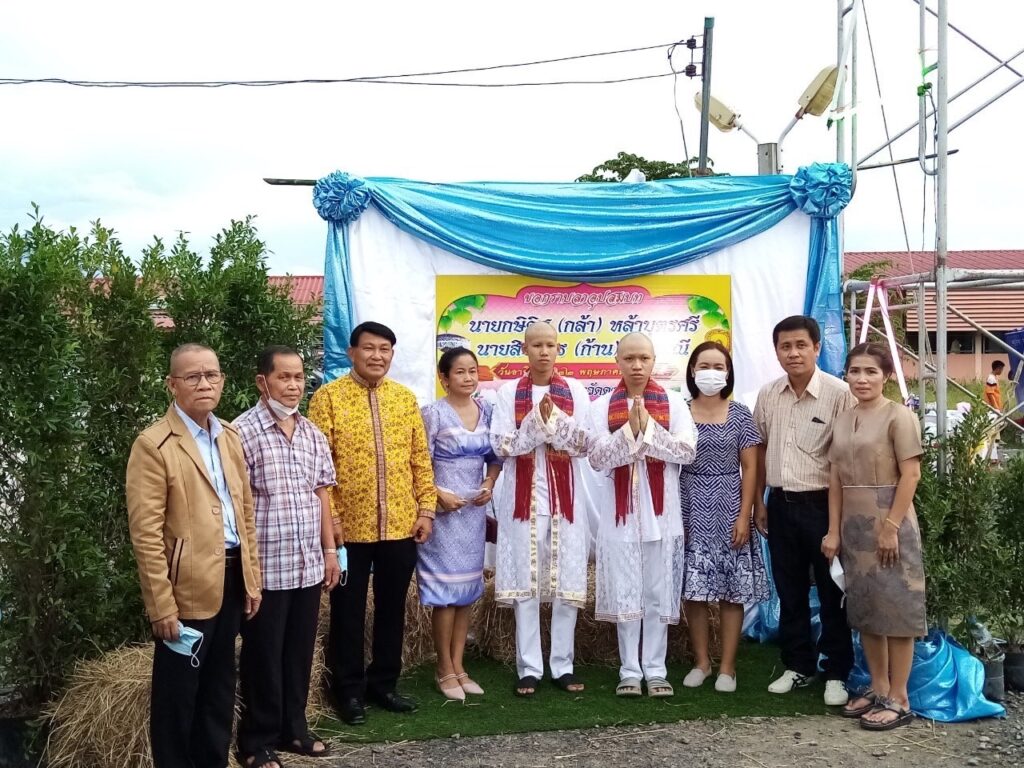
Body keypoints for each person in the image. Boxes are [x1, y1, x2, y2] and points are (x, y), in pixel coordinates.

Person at [126, 343, 262, 768]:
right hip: (185, 588)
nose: (204, 383)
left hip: (231, 580)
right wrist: (161, 605)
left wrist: (252, 580)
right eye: (192, 377)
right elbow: (146, 534)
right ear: (172, 385)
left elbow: (244, 513)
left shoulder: (229, 436)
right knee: (177, 700)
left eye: (212, 375)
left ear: (222, 380)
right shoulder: (154, 445)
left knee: (218, 692)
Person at [307, 321, 436, 725]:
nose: (377, 356)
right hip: (349, 530)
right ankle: (347, 690)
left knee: (392, 608)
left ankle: (384, 684)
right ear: (352, 352)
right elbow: (320, 468)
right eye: (369, 348)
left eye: (385, 349)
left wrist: (426, 509)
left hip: (400, 524)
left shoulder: (404, 398)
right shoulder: (328, 399)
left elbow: (420, 458)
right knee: (347, 612)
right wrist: (333, 519)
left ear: (392, 355)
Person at [234, 346, 341, 767]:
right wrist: (247, 569)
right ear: (263, 382)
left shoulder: (312, 433)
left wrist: (330, 551)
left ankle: (294, 729)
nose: (294, 385)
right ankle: (255, 741)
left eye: (299, 377)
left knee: (298, 652)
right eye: (284, 377)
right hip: (267, 567)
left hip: (308, 565)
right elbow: (237, 505)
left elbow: (322, 494)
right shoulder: (241, 433)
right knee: (263, 654)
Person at [753, 315, 855, 706]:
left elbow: (846, 460)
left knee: (832, 591)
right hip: (780, 504)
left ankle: (836, 671)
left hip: (824, 505)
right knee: (789, 589)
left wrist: (836, 524)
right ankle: (798, 665)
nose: (793, 353)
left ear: (817, 348)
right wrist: (760, 501)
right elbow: (760, 449)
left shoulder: (839, 394)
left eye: (800, 345)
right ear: (777, 351)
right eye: (785, 346)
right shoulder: (769, 394)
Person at [588, 333, 697, 698]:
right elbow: (597, 457)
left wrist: (648, 428)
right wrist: (630, 431)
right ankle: (629, 671)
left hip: (662, 514)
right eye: (630, 358)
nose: (637, 365)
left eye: (644, 358)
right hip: (620, 517)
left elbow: (687, 451)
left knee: (655, 592)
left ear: (653, 361)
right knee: (626, 593)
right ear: (617, 362)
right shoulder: (601, 406)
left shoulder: (674, 403)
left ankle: (655, 669)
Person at [823, 342, 924, 731]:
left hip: (889, 520)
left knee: (897, 608)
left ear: (886, 376)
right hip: (853, 524)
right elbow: (834, 479)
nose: (861, 379)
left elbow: (911, 474)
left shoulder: (899, 416)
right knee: (865, 608)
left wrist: (891, 527)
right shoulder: (843, 419)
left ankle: (900, 696)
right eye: (855, 371)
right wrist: (833, 530)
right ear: (846, 375)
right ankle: (879, 687)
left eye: (870, 371)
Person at [490, 321, 591, 697]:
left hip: (566, 501)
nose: (544, 351)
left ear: (558, 349)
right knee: (527, 582)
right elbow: (502, 445)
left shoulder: (575, 390)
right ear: (525, 349)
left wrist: (554, 423)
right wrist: (538, 423)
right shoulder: (508, 393)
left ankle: (563, 665)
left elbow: (583, 444)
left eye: (550, 345)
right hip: (523, 500)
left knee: (566, 583)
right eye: (537, 345)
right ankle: (529, 667)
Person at [679, 341, 769, 693]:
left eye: (718, 366)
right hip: (689, 503)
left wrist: (745, 515)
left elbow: (751, 467)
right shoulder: (679, 411)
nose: (711, 372)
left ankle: (728, 668)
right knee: (695, 590)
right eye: (704, 366)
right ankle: (702, 662)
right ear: (692, 370)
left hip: (730, 502)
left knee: (731, 591)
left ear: (728, 373)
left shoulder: (740, 414)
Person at [418, 347, 502, 700]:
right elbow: (417, 462)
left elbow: (495, 457)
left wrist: (489, 483)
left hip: (472, 513)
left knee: (466, 592)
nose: (468, 378)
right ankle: (443, 669)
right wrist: (438, 494)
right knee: (445, 595)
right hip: (443, 514)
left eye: (472, 371)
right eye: (460, 372)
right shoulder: (433, 413)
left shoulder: (487, 411)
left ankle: (459, 666)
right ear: (444, 378)